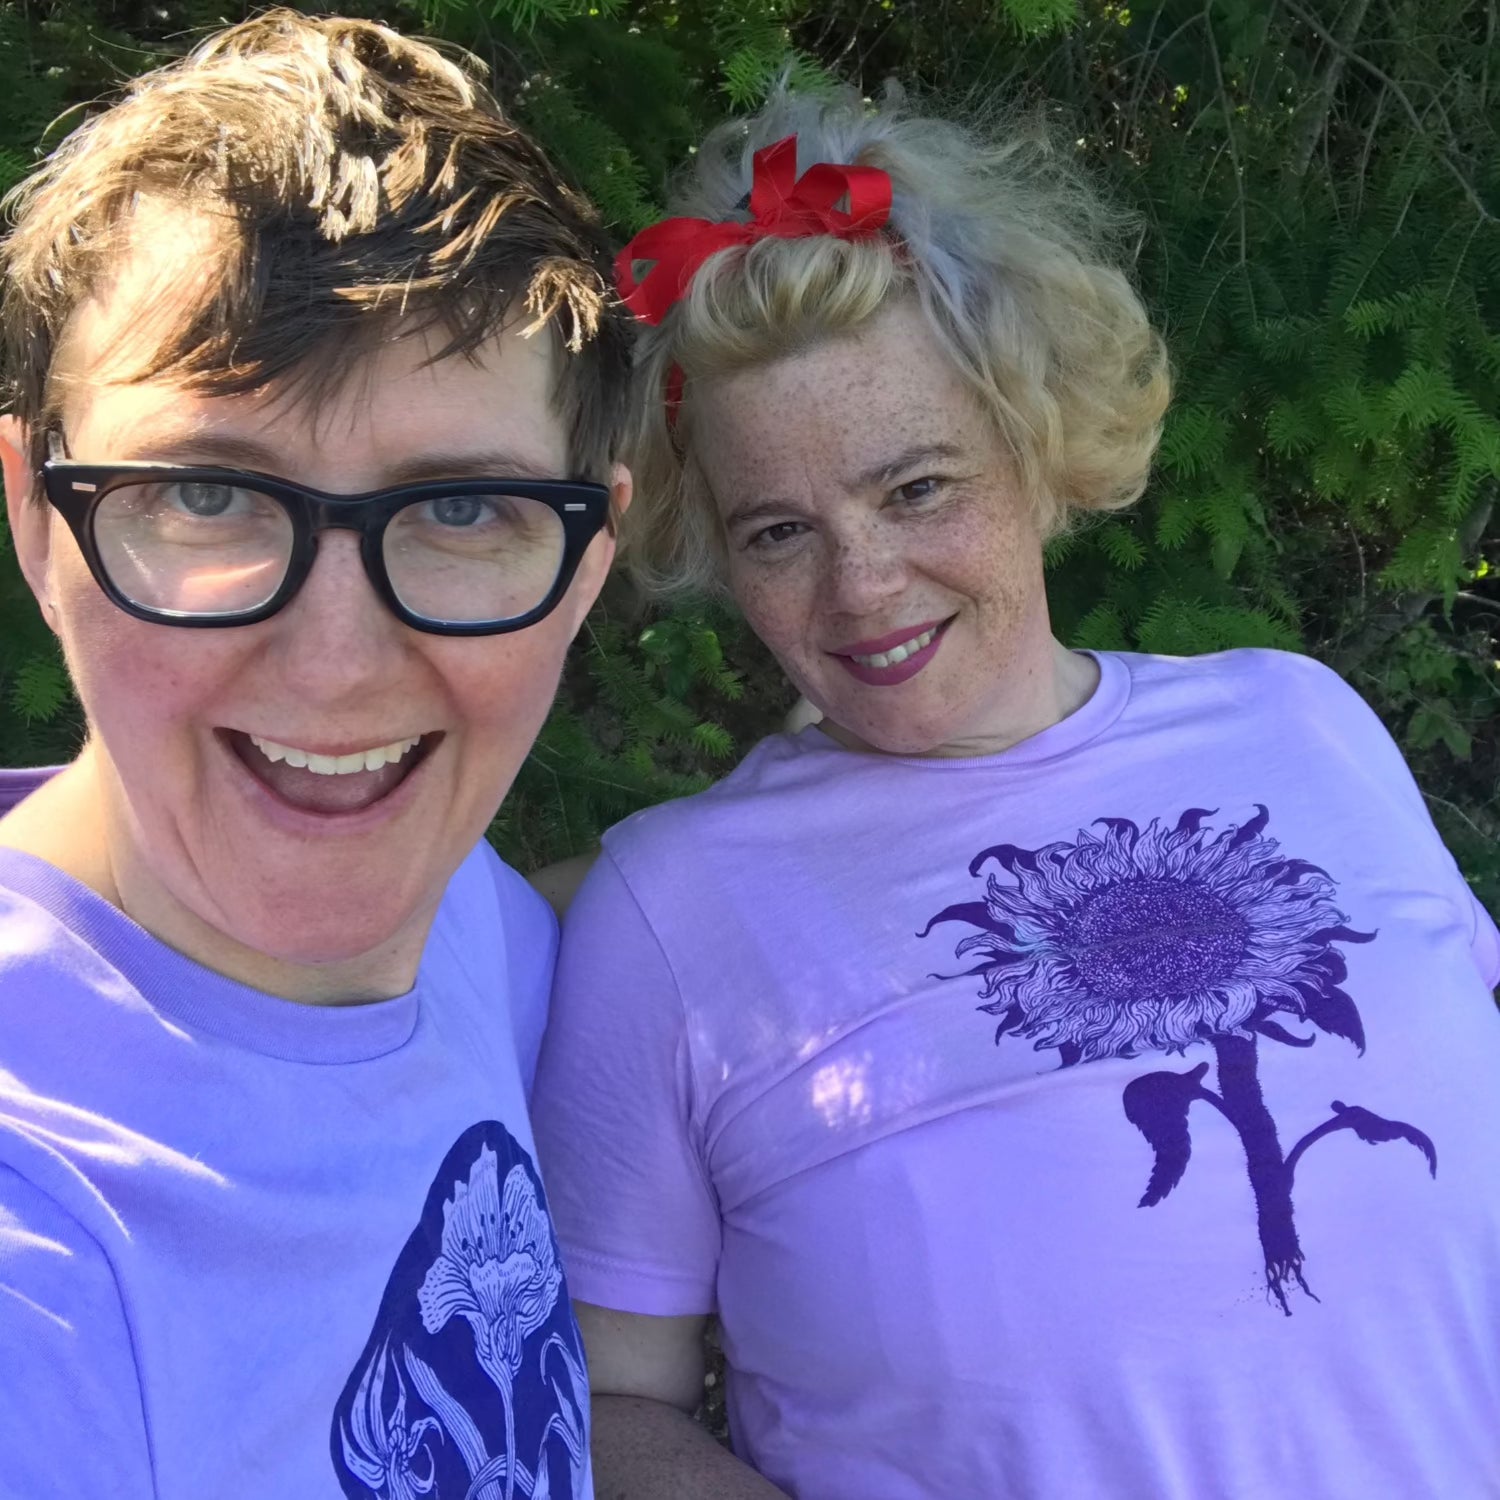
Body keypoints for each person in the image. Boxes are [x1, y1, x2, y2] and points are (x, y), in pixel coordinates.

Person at [530, 87, 1500, 1499]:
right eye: (780, 530)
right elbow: (605, 1402)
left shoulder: (1303, 721)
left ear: (1034, 441)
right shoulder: (671, 913)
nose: (862, 587)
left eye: (917, 488)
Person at [0, 13, 631, 1496]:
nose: (339, 668)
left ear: (589, 554)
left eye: (463, 510)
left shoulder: (474, 922)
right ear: (36, 519)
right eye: (211, 496)